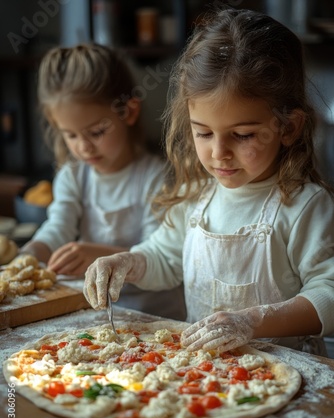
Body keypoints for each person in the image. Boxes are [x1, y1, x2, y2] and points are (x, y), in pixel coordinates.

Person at [83, 8, 334, 355]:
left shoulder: (305, 205)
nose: (219, 153)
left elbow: (329, 293)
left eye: (243, 135)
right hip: (205, 380)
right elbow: (165, 257)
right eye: (203, 133)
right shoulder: (195, 195)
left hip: (289, 378)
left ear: (288, 127)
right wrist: (128, 262)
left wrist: (252, 321)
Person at [20, 43, 186, 320]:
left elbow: (158, 254)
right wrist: (29, 254)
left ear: (128, 112)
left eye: (96, 132)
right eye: (70, 136)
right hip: (100, 313)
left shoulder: (155, 178)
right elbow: (57, 228)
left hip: (156, 316)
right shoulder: (73, 176)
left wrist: (97, 254)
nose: (83, 147)